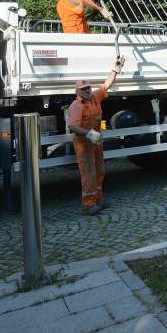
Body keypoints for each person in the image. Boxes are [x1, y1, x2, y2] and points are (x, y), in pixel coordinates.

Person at [68, 56, 125, 215]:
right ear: (77, 91)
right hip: (83, 143)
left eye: (88, 88)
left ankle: (98, 199)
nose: (87, 90)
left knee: (100, 170)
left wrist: (115, 70)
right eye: (84, 89)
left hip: (96, 141)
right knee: (88, 174)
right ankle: (88, 204)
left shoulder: (95, 97)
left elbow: (107, 84)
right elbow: (72, 126)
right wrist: (89, 134)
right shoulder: (76, 106)